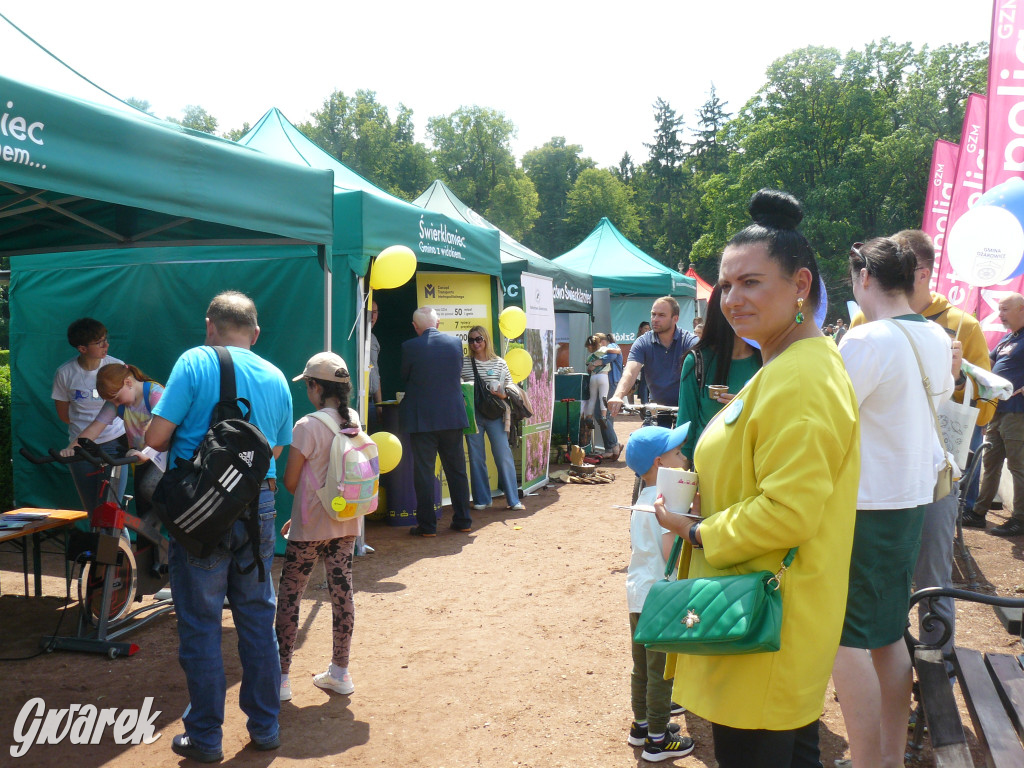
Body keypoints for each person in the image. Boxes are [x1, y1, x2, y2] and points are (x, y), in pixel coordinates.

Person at [649, 189, 859, 768]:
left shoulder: (803, 377)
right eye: (726, 284)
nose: (732, 299)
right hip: (760, 612)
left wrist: (697, 532)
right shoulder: (786, 364)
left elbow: (788, 511)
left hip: (765, 618)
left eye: (751, 282)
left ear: (800, 285)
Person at [145, 291, 293, 762]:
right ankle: (266, 727)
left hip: (199, 509)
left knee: (201, 623)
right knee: (257, 617)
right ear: (255, 332)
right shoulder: (275, 375)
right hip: (259, 502)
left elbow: (156, 438)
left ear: (210, 325)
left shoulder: (194, 361)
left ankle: (206, 737)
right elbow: (273, 451)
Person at [831, 238, 953, 768]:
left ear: (864, 278)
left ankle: (870, 760)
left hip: (866, 503)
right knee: (884, 633)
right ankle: (885, 757)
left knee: (845, 637)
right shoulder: (936, 335)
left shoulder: (867, 338)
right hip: (909, 497)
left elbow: (830, 418)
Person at [853, 228, 991, 660]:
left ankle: (936, 664)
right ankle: (896, 668)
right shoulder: (868, 324)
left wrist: (958, 379)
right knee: (884, 597)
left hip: (918, 479)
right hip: (892, 484)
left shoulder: (961, 326)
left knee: (929, 579)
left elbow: (984, 410)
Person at [277, 352, 362, 702]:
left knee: (290, 596)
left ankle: (281, 678)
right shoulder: (353, 419)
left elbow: (291, 481)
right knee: (342, 592)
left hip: (311, 525)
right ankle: (340, 672)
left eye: (307, 385)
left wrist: (302, 511)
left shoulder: (306, 425)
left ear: (315, 386)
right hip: (346, 521)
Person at [624, 424, 696, 762]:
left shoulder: (641, 498)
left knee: (641, 667)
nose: (684, 458)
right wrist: (690, 528)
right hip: (661, 597)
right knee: (661, 671)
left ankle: (641, 726)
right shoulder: (666, 503)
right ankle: (657, 738)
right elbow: (671, 554)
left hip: (638, 593)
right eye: (677, 453)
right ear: (659, 463)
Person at [61, 363, 168, 564]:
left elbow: (165, 432)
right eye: (112, 401)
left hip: (164, 457)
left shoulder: (155, 394)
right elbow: (95, 427)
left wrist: (147, 452)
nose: (116, 403)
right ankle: (148, 566)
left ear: (128, 382)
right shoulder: (116, 402)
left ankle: (167, 525)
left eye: (117, 398)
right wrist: (72, 447)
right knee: (143, 517)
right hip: (140, 459)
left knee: (149, 490)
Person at [399, 307, 473, 537]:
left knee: (424, 473)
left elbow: (404, 376)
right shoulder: (455, 344)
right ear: (438, 322)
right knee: (457, 471)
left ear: (415, 327)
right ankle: (463, 520)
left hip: (422, 419)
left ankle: (427, 525)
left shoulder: (409, 347)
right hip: (452, 416)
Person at [675, 284, 761, 462]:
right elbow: (686, 430)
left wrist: (749, 410)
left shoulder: (770, 360)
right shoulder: (697, 361)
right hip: (708, 470)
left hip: (758, 468)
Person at [51, 317, 127, 512]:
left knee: (111, 511)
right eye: (99, 342)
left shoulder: (117, 367)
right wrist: (81, 438)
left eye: (106, 339)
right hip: (81, 447)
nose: (106, 345)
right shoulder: (65, 373)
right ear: (82, 348)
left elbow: (126, 406)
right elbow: (64, 414)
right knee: (94, 511)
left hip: (114, 444)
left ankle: (119, 533)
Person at [967, 292, 1024, 537]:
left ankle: (1020, 519)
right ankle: (978, 513)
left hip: (1018, 413)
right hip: (997, 410)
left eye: (1004, 310)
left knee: (1018, 467)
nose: (999, 315)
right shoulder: (1007, 338)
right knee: (990, 463)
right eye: (999, 310)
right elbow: (987, 365)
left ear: (1021, 309)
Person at [461, 325, 525, 512]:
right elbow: (457, 385)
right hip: (473, 414)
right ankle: (482, 498)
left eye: (478, 339)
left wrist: (502, 394)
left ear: (486, 339)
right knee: (476, 457)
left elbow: (511, 388)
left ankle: (513, 499)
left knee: (503, 455)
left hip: (496, 414)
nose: (475, 343)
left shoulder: (499, 363)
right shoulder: (464, 363)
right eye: (471, 340)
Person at [607, 297, 698, 424]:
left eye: (661, 315)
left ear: (675, 319)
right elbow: (630, 372)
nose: (655, 319)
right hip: (657, 408)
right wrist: (618, 396)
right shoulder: (642, 342)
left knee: (688, 436)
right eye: (653, 314)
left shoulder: (690, 341)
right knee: (647, 435)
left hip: (687, 408)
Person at [584, 335, 621, 460]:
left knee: (603, 415)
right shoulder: (603, 349)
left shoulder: (611, 346)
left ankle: (614, 444)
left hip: (610, 382)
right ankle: (609, 448)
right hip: (606, 382)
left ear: (603, 341)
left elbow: (611, 356)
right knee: (601, 415)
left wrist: (594, 363)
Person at [368, 301, 383, 430]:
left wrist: (379, 405)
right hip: (355, 403)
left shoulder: (373, 338)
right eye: (370, 312)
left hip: (371, 403)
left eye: (375, 312)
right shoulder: (352, 337)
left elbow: (375, 373)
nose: (373, 317)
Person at [631, 322, 651, 404]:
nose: (647, 330)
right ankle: (644, 403)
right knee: (644, 385)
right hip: (642, 365)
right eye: (645, 328)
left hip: (651, 365)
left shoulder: (651, 338)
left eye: (648, 329)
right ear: (640, 329)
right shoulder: (639, 340)